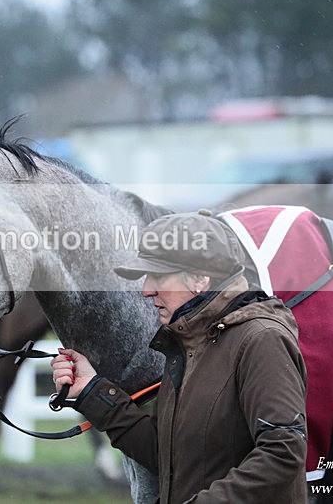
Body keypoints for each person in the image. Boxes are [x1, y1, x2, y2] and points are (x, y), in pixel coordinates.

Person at [51, 211, 308, 503]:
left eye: (158, 275)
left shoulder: (262, 339)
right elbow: (169, 459)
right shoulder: (186, 344)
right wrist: (92, 391)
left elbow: (283, 453)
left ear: (199, 278)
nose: (147, 290)